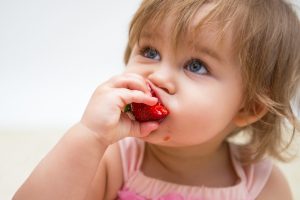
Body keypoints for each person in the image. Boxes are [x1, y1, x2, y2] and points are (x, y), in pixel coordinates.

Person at [14, 0, 300, 199]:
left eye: (196, 65)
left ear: (248, 107)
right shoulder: (116, 159)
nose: (158, 76)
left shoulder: (260, 185)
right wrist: (89, 136)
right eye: (150, 52)